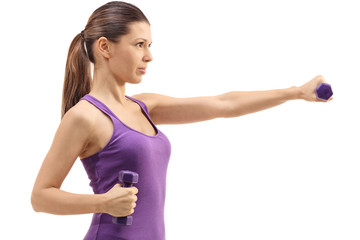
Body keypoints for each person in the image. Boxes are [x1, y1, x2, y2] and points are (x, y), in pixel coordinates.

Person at [30, 1, 333, 240]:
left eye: (150, 46)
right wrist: (103, 203)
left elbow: (222, 104)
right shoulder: (84, 116)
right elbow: (41, 197)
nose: (149, 56)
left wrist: (295, 93)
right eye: (139, 44)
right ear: (105, 47)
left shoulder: (146, 106)